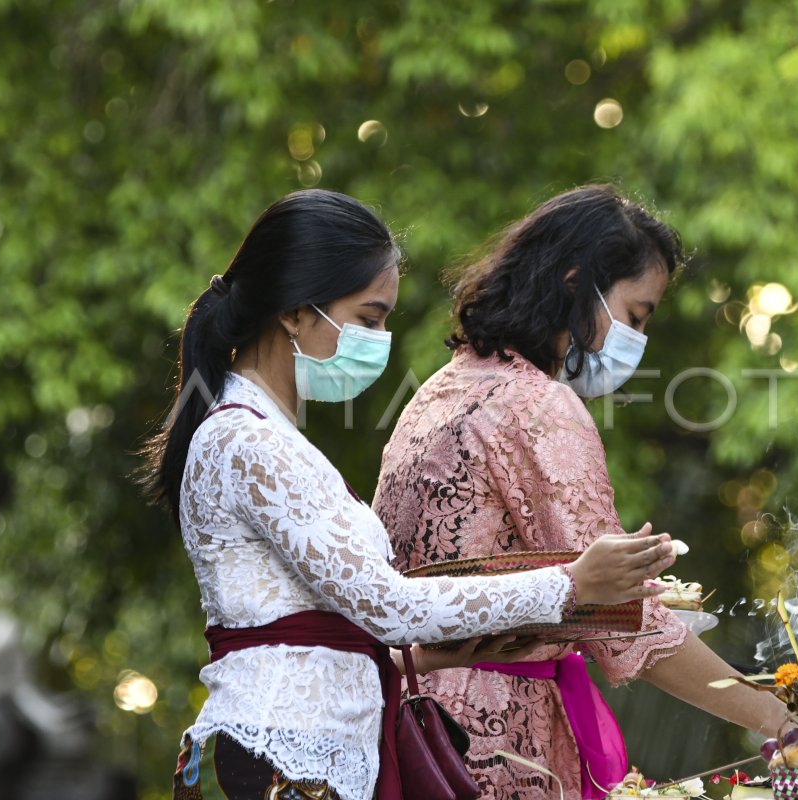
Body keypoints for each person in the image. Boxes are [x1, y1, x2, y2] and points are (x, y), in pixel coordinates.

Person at [139, 189, 678, 800]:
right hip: (275, 758)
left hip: (306, 760)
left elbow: (322, 638)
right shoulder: (245, 442)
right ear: (294, 311)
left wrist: (441, 657)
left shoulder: (264, 435)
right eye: (368, 318)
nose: (379, 338)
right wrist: (571, 585)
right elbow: (387, 607)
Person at [373, 185, 792, 799]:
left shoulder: (441, 388)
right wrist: (777, 716)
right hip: (494, 740)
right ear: (576, 283)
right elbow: (617, 615)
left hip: (416, 726)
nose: (637, 339)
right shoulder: (538, 405)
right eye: (636, 315)